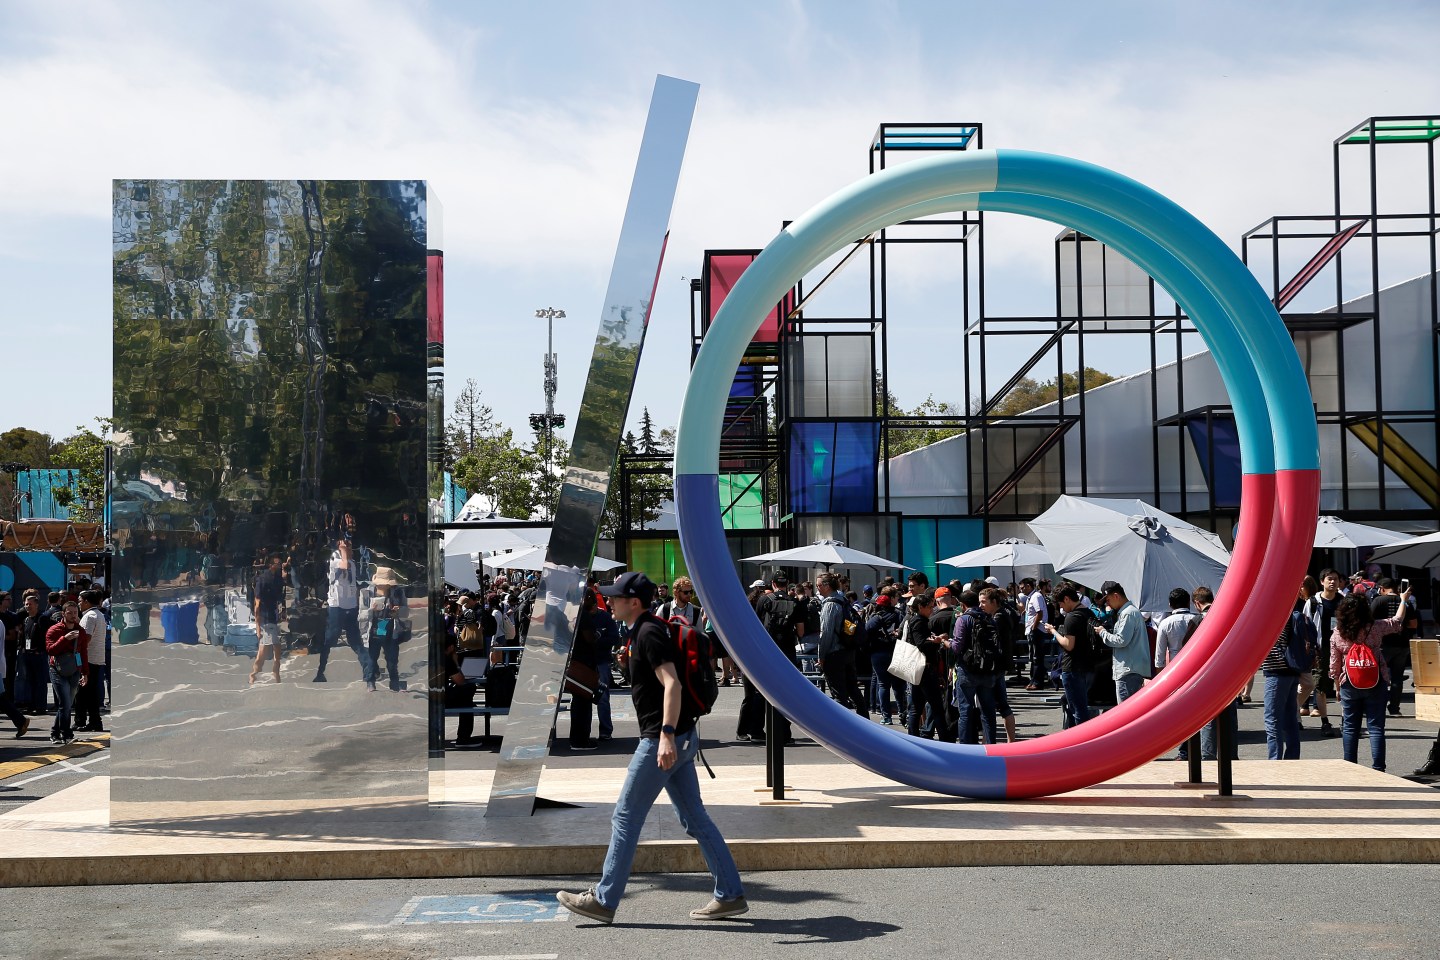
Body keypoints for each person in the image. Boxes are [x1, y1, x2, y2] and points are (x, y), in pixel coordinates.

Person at [558, 572, 746, 924]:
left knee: (625, 817)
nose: (609, 601)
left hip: (664, 739)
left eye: (615, 597)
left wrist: (665, 734)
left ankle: (603, 900)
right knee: (695, 819)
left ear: (634, 602)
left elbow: (672, 684)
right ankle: (730, 894)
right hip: (683, 737)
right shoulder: (642, 632)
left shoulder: (647, 632)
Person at [1330, 585, 1410, 772]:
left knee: (1350, 728)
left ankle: (1350, 767)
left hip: (1349, 681)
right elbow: (1397, 621)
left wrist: (1337, 685)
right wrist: (1403, 600)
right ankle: (1378, 768)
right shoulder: (1375, 627)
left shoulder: (1338, 632)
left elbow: (1334, 664)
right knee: (1376, 728)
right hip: (1376, 679)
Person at [740, 575, 802, 744]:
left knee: (761, 693)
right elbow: (801, 630)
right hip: (787, 653)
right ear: (787, 584)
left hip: (767, 652)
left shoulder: (764, 600)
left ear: (773, 584)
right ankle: (784, 733)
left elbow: (757, 625)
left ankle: (757, 730)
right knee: (786, 693)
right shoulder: (794, 601)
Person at [312, 537, 375, 689]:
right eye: (346, 546)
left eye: (349, 545)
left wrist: (345, 550)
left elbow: (348, 567)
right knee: (329, 640)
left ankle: (370, 677)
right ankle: (320, 672)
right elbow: (343, 565)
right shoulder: (334, 560)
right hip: (337, 607)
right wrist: (342, 550)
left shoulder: (352, 563)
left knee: (356, 643)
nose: (349, 548)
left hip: (349, 608)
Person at [1261, 586, 1308, 760]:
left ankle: (1274, 759)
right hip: (1292, 669)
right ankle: (1292, 757)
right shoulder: (1291, 612)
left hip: (1276, 670)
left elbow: (1273, 645)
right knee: (1290, 718)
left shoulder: (1274, 616)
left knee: (1272, 719)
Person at [904, 592, 955, 742]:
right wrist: (937, 641)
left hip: (918, 669)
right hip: (925, 669)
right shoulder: (919, 621)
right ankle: (945, 739)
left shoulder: (915, 620)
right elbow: (921, 644)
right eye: (929, 607)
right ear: (921, 607)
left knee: (917, 706)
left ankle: (913, 738)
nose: (932, 610)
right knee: (936, 706)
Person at [1046, 583, 1096, 729]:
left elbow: (1068, 644)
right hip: (1087, 665)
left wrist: (1054, 632)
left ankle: (1082, 744)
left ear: (1067, 599)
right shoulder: (1088, 613)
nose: (1061, 607)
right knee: (1079, 706)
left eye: (1061, 603)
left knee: (1078, 710)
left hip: (1073, 667)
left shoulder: (1071, 617)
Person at [816, 573, 867, 717]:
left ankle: (842, 730)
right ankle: (865, 723)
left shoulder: (830, 604)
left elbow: (825, 633)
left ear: (827, 586)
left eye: (819, 585)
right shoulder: (843, 600)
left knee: (839, 695)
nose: (817, 588)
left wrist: (821, 656)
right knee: (853, 690)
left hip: (834, 654)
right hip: (848, 650)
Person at [1094, 581, 1151, 702]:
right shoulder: (1130, 612)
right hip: (1131, 670)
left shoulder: (1128, 613)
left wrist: (1103, 632)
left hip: (1128, 672)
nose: (1107, 604)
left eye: (1108, 600)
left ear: (1116, 596)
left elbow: (1121, 640)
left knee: (1129, 714)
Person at [1370, 578, 1418, 717]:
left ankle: (1378, 705)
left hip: (1382, 644)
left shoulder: (1378, 601)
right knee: (1397, 677)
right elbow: (1414, 624)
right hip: (1402, 644)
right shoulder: (1406, 602)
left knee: (1379, 677)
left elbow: (1369, 621)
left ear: (1382, 588)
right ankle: (1395, 708)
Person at [1302, 570, 1342, 738]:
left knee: (1343, 684)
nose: (1332, 582)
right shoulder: (1313, 602)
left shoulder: (1343, 602)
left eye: (1335, 579)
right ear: (1322, 582)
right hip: (1320, 649)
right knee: (1320, 686)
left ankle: (1345, 720)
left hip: (1341, 647)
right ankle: (1325, 721)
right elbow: (1305, 625)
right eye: (1329, 579)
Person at [45, 602, 89, 744]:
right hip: (57, 670)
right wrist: (65, 639)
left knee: (67, 704)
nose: (73, 615)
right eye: (69, 612)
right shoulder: (54, 630)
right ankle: (66, 733)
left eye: (75, 612)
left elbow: (83, 652)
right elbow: (50, 650)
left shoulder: (80, 631)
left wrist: (85, 673)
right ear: (63, 614)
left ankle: (55, 733)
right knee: (65, 703)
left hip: (74, 670)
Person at [865, 591, 905, 724]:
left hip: (878, 653)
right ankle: (902, 713)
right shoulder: (898, 614)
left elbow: (866, 630)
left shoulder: (875, 618)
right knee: (898, 685)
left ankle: (886, 716)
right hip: (895, 652)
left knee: (883, 685)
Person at [367, 567, 408, 693]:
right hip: (375, 627)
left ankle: (395, 683)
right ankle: (370, 681)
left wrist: (398, 610)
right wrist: (371, 610)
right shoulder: (367, 592)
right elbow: (360, 615)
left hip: (391, 627)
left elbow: (406, 612)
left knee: (392, 659)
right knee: (372, 657)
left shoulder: (398, 592)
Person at [250, 553, 287, 685]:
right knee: (274, 649)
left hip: (272, 617)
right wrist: (258, 627)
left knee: (264, 652)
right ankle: (273, 673)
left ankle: (255, 675)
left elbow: (279, 598)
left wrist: (283, 612)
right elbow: (257, 605)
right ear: (271, 565)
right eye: (277, 564)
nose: (279, 566)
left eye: (280, 564)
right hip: (266, 619)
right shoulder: (263, 580)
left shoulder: (277, 579)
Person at [74, 590, 108, 732]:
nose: (78, 603)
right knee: (91, 693)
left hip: (88, 660)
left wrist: (76, 658)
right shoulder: (99, 615)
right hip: (97, 659)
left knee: (81, 692)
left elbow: (85, 640)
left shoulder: (89, 616)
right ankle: (94, 721)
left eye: (80, 601)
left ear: (87, 602)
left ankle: (80, 721)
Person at [1022, 577, 1050, 690]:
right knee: (1034, 657)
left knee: (1037, 657)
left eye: (1023, 587)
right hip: (1031, 629)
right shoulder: (1031, 597)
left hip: (1037, 630)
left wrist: (1034, 627)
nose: (1022, 590)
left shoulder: (1036, 596)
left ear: (1029, 586)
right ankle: (1033, 680)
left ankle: (1037, 682)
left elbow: (1040, 613)